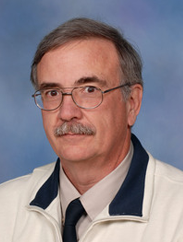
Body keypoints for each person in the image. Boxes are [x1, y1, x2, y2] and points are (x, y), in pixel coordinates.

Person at [0, 18, 183, 242]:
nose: (67, 113)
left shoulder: (178, 212)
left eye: (89, 90)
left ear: (132, 103)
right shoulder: (5, 208)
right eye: (53, 92)